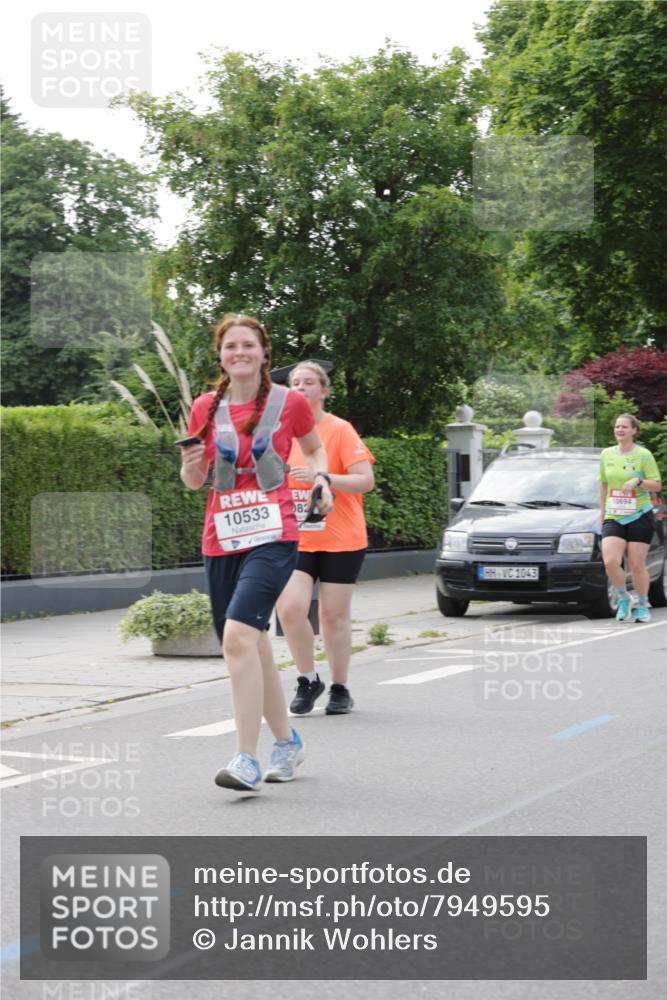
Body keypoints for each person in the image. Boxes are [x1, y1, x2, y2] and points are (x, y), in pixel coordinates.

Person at [180, 316, 333, 792]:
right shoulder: (205, 407)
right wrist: (190, 464)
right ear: (220, 355)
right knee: (253, 643)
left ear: (264, 353)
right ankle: (287, 742)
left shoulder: (290, 403)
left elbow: (314, 450)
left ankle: (245, 757)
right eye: (230, 346)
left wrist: (322, 479)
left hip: (274, 534)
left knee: (237, 639)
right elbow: (193, 481)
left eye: (248, 345)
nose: (239, 352)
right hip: (221, 537)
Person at [276, 362, 375, 715]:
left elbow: (365, 480)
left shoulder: (339, 430)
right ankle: (307, 679)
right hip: (295, 538)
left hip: (341, 537)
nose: (301, 388)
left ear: (324, 391)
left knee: (333, 615)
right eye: (295, 383)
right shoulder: (280, 433)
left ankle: (340, 687)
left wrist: (323, 477)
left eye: (309, 382)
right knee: (289, 609)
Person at [599, 413, 662, 622]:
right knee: (610, 561)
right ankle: (624, 597)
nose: (620, 430)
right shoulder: (606, 454)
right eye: (617, 426)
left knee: (636, 564)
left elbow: (657, 484)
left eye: (624, 427)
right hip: (614, 515)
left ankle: (642, 605)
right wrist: (602, 513)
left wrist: (638, 481)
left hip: (639, 515)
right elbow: (604, 485)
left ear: (634, 430)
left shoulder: (643, 455)